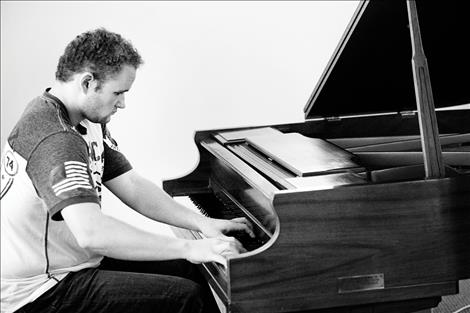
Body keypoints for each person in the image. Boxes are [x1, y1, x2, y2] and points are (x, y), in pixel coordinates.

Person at [0, 28, 254, 313]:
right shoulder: (54, 136)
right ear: (87, 83)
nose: (123, 103)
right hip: (39, 290)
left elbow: (131, 184)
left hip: (74, 263)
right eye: (118, 93)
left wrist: (200, 223)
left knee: (188, 269)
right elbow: (92, 233)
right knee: (185, 297)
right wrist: (190, 247)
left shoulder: (85, 120)